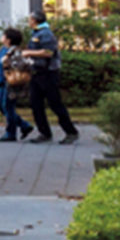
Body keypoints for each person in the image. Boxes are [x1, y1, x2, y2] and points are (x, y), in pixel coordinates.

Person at [22, 11, 79, 144]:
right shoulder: (35, 33)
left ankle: (71, 132)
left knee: (55, 103)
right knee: (36, 104)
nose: (28, 21)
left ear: (35, 20)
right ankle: (44, 133)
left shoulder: (45, 34)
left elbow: (48, 52)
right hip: (37, 72)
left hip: (48, 73)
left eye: (30, 19)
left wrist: (29, 53)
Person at [0, 29, 32, 143]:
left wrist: (8, 63)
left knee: (7, 106)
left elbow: (23, 64)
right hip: (1, 81)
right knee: (1, 106)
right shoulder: (2, 50)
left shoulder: (15, 51)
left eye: (4, 35)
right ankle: (24, 125)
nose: (1, 37)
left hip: (11, 83)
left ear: (8, 39)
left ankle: (11, 133)